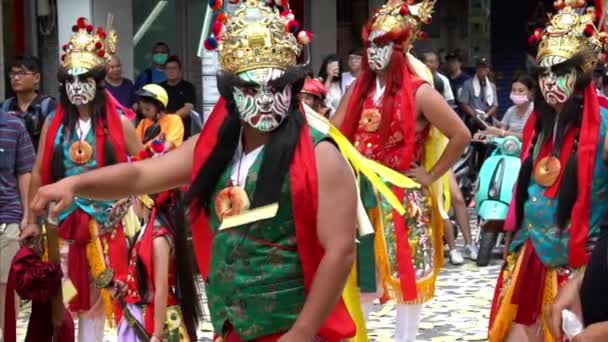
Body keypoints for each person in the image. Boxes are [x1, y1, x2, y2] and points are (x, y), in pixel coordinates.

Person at [28, 3, 360, 341]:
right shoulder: (214, 150)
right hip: (232, 328)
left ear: (292, 90)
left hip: (292, 330)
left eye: (275, 89)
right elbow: (140, 176)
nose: (263, 101)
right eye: (249, 89)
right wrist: (74, 183)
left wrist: (302, 332)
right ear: (230, 93)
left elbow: (340, 251)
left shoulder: (321, 157)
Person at [332, 0, 471, 340]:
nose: (373, 53)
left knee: (408, 276)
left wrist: (431, 174)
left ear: (399, 48)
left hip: (401, 196)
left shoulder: (419, 91)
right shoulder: (358, 88)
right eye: (370, 45)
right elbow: (334, 133)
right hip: (362, 195)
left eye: (382, 45)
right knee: (362, 275)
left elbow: (461, 134)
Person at [488, 3, 608, 341]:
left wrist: (590, 271)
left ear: (581, 74)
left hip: (580, 267)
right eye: (543, 72)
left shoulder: (605, 128)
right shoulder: (539, 123)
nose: (548, 82)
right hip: (530, 257)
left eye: (559, 71)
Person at [19, 17, 143, 342]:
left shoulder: (119, 123)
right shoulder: (54, 125)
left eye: (83, 78)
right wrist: (30, 218)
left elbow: (144, 166)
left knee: (99, 301)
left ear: (98, 82)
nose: (76, 86)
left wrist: (128, 200)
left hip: (105, 226)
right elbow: (37, 172)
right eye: (69, 80)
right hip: (61, 226)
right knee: (62, 297)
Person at [118, 189, 200, 342]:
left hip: (160, 318)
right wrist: (125, 287)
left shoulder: (159, 237)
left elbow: (161, 288)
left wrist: (157, 334)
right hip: (142, 314)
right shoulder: (146, 230)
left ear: (140, 201)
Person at [422, 52, 475, 265]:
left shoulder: (440, 93)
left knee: (457, 198)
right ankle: (452, 248)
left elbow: (458, 133)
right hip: (426, 155)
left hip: (443, 152)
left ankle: (469, 243)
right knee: (438, 204)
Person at [0, 108, 35, 335]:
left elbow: (25, 172)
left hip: (7, 217)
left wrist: (27, 215)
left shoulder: (13, 126)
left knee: (6, 284)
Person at [2, 55, 57, 150]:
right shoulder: (5, 107)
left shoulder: (48, 105)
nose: (16, 78)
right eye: (12, 73)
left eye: (22, 73)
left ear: (36, 77)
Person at [478, 74, 535, 139]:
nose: (516, 94)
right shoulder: (510, 111)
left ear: (530, 93)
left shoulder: (535, 111)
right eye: (514, 90)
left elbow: (530, 137)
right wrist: (486, 134)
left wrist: (503, 133)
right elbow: (500, 133)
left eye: (521, 91)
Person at [135, 84, 185, 151]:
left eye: (147, 109)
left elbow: (170, 143)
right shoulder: (143, 122)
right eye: (141, 109)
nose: (144, 112)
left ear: (159, 106)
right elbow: (136, 142)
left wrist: (159, 151)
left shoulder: (174, 120)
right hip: (147, 159)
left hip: (168, 159)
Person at [160, 56, 197, 139]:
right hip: (162, 133)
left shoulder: (188, 87)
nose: (171, 71)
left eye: (174, 68)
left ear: (180, 70)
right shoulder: (159, 88)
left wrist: (170, 119)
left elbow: (188, 108)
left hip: (182, 133)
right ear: (165, 71)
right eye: (168, 68)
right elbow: (155, 108)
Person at [459, 57, 499, 128]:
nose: (481, 69)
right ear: (476, 69)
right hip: (472, 118)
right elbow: (463, 104)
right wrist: (475, 115)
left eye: (484, 67)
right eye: (479, 67)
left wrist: (486, 115)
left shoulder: (492, 86)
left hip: (487, 118)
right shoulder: (467, 84)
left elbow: (495, 105)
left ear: (488, 69)